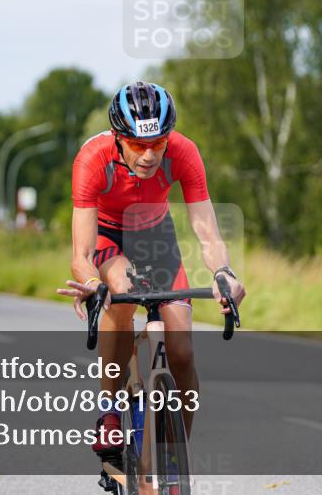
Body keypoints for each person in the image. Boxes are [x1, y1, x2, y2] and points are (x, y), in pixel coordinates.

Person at [57, 81, 246, 455]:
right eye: (138, 145)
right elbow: (80, 253)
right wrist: (94, 284)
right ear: (117, 138)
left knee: (182, 352)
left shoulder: (184, 152)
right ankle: (110, 410)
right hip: (108, 237)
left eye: (158, 144)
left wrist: (224, 273)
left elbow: (207, 230)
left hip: (155, 237)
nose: (149, 155)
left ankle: (175, 457)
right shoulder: (92, 159)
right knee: (122, 289)